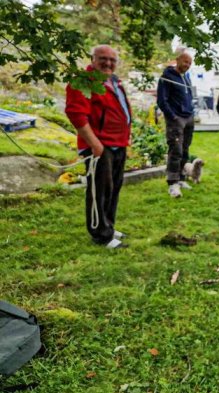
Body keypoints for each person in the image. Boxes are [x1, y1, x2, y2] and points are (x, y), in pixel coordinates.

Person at [65, 45, 131, 249]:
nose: (108, 63)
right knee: (100, 190)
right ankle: (101, 234)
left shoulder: (113, 81)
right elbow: (76, 113)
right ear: (92, 59)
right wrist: (94, 143)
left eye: (112, 60)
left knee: (113, 188)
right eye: (103, 58)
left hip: (117, 143)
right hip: (100, 145)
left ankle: (108, 226)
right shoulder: (83, 82)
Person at [157, 51, 195, 198]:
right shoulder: (166, 77)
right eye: (185, 62)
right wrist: (173, 116)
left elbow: (188, 96)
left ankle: (180, 178)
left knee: (185, 149)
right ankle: (172, 183)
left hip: (188, 117)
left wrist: (191, 111)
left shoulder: (185, 77)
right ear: (177, 60)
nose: (187, 65)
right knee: (176, 150)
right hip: (176, 119)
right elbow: (161, 100)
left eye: (190, 63)